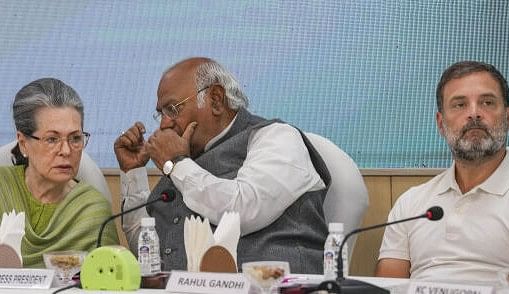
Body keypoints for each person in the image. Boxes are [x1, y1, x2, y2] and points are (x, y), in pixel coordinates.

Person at [114, 57, 331, 274]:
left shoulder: (276, 137)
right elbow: (148, 256)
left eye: (173, 109)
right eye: (161, 113)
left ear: (216, 99)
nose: (164, 123)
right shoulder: (181, 165)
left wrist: (177, 164)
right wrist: (132, 174)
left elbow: (244, 210)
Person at [375, 61, 509, 282]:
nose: (474, 114)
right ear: (441, 124)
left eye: (487, 102)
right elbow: (387, 288)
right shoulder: (411, 203)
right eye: (460, 105)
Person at [0, 78, 119, 268]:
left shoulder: (92, 209)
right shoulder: (2, 189)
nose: (66, 150)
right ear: (23, 143)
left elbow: (109, 278)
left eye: (75, 138)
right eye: (52, 139)